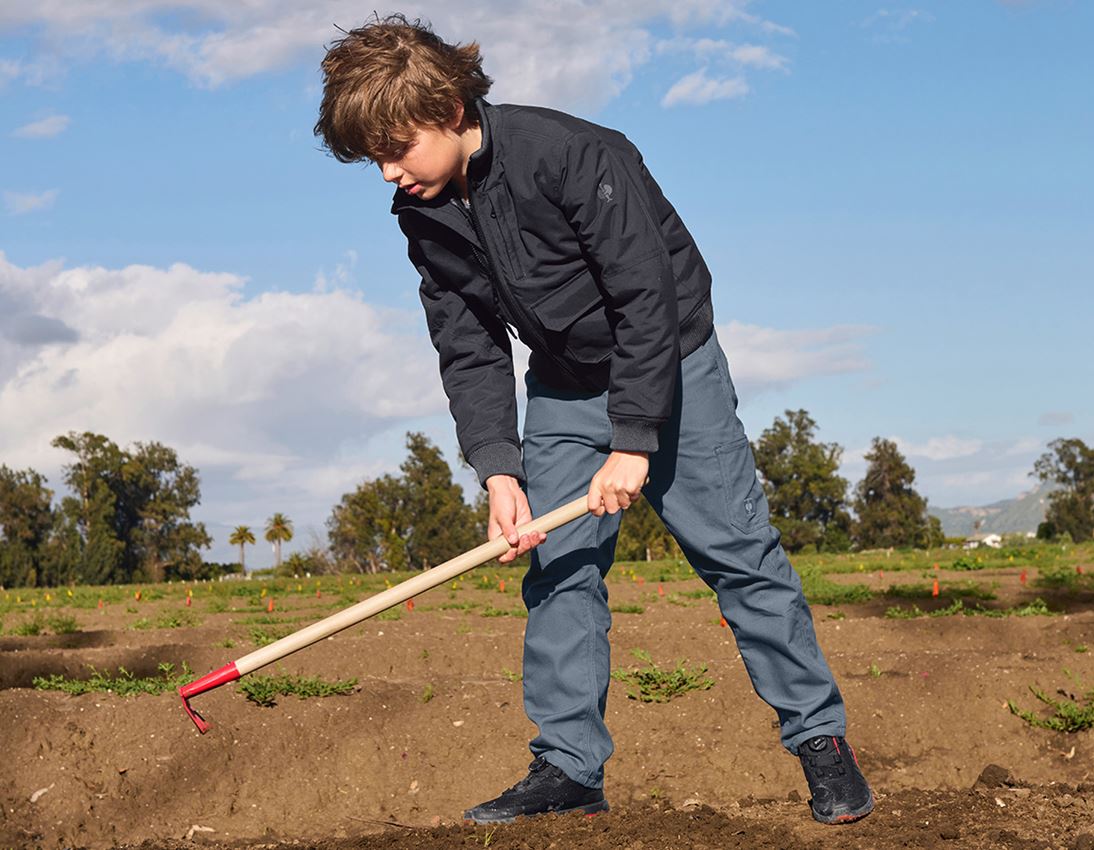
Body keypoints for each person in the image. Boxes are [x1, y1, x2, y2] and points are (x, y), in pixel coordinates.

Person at [313, 13, 874, 827]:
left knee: (739, 556)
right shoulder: (424, 214)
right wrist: (498, 467)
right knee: (559, 566)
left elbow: (648, 299)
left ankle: (821, 742)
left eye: (397, 150)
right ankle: (568, 768)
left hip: (671, 364)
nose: (389, 173)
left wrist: (634, 439)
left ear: (448, 110)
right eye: (375, 158)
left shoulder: (576, 156)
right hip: (566, 384)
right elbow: (466, 344)